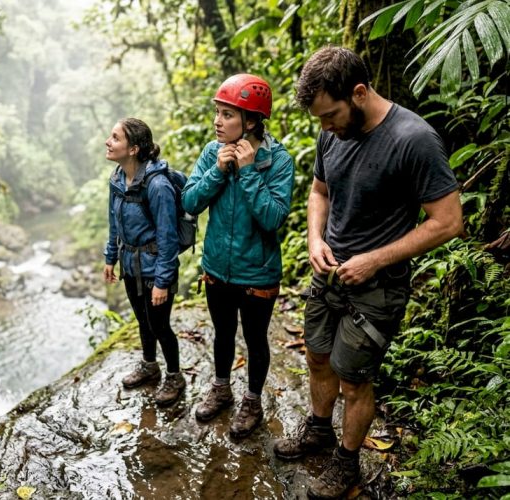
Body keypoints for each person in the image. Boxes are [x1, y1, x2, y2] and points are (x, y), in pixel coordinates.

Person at [272, 46, 463, 499]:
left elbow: (449, 220)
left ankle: (347, 462)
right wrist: (314, 239)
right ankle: (318, 430)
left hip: (378, 286)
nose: (325, 127)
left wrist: (376, 258)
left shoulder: (413, 139)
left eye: (331, 114)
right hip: (329, 273)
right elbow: (319, 192)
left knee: (354, 378)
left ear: (359, 93)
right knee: (317, 356)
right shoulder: (331, 134)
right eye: (319, 118)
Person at [182, 74, 295, 438]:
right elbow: (189, 202)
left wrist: (247, 172)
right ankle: (220, 387)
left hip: (257, 272)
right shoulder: (211, 153)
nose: (217, 121)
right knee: (223, 333)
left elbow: (273, 218)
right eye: (217, 112)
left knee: (256, 337)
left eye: (227, 115)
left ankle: (252, 400)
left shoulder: (277, 161)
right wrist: (218, 171)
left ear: (250, 121)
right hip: (217, 266)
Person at [103, 118, 186, 406]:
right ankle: (150, 366)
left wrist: (163, 281)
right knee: (142, 320)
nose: (108, 142)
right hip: (130, 264)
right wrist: (110, 257)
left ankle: (175, 376)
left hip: (155, 268)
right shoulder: (116, 179)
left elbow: (168, 237)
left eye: (115, 138)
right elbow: (114, 222)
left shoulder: (158, 185)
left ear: (134, 148)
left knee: (160, 324)